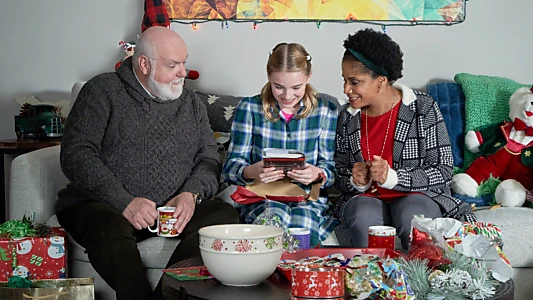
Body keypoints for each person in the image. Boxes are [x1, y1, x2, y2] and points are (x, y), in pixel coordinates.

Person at [54, 26, 239, 300]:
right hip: (107, 205)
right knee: (107, 229)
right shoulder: (102, 90)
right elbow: (76, 154)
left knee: (223, 218)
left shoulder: (191, 104)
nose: (183, 73)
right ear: (143, 64)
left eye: (184, 63)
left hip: (169, 213)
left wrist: (190, 196)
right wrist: (124, 201)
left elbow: (209, 159)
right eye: (173, 65)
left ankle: (166, 296)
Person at [334, 28, 475, 250]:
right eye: (344, 80)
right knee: (362, 216)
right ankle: (370, 279)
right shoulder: (347, 116)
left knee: (413, 215)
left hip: (417, 195)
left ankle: (422, 280)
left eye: (354, 82)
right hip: (366, 199)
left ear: (381, 81)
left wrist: (392, 177)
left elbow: (443, 169)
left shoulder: (422, 107)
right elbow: (338, 172)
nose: (346, 89)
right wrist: (355, 180)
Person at [222, 43, 339, 247]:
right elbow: (230, 168)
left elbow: (331, 168)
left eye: (296, 87)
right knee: (274, 216)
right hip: (263, 196)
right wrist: (252, 171)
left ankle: (297, 273)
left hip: (307, 199)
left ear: (308, 78)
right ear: (268, 76)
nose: (287, 96)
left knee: (302, 223)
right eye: (278, 86)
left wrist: (317, 174)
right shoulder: (250, 108)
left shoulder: (326, 111)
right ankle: (267, 272)